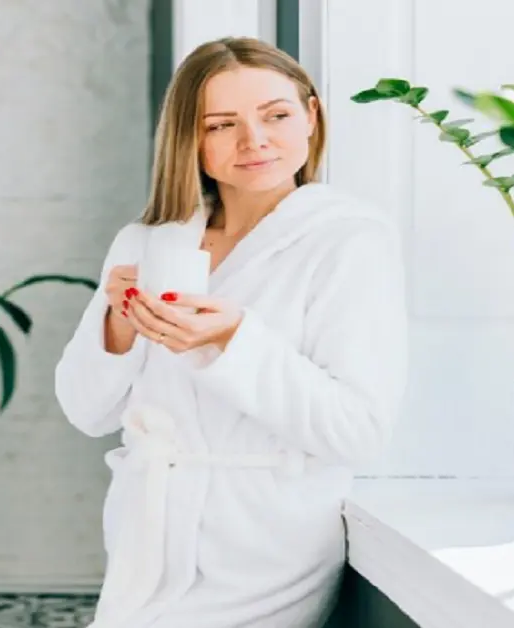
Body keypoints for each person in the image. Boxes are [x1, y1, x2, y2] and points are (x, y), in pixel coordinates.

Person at [53, 36, 409, 627]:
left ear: (311, 116)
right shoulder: (150, 243)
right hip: (147, 540)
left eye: (276, 115)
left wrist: (233, 340)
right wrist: (120, 321)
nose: (255, 141)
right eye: (221, 124)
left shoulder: (349, 240)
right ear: (190, 138)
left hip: (265, 544)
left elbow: (360, 432)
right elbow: (85, 411)